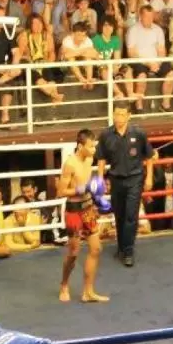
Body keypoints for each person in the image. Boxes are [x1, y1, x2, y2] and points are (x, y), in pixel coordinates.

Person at [95, 102, 154, 268]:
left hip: (135, 178)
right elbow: (101, 158)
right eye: (116, 114)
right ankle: (121, 247)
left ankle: (128, 251)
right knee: (119, 215)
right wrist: (100, 180)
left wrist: (149, 178)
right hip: (116, 179)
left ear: (129, 115)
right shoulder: (106, 134)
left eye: (122, 114)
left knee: (131, 215)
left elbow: (149, 156)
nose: (118, 118)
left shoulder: (139, 133)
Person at [57, 129, 108, 303]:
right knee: (73, 253)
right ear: (80, 146)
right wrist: (81, 189)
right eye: (91, 146)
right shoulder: (70, 164)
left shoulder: (89, 159)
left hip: (87, 208)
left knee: (96, 249)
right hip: (73, 210)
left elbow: (87, 185)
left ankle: (88, 292)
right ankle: (64, 284)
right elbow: (61, 191)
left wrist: (96, 195)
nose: (94, 150)